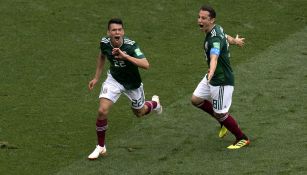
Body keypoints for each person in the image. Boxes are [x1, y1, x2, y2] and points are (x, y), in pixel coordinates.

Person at [87, 18, 162, 160]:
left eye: (119, 30)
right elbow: (102, 55)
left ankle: (154, 103)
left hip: (133, 84)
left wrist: (125, 56)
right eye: (114, 30)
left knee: (139, 113)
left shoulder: (131, 46)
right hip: (114, 80)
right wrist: (96, 77)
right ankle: (101, 147)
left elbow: (146, 64)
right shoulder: (104, 42)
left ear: (123, 31)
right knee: (102, 110)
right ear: (108, 32)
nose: (117, 32)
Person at [191, 5, 250, 149]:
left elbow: (214, 57)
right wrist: (235, 41)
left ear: (212, 20)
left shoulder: (214, 40)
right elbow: (225, 36)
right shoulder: (217, 28)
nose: (200, 20)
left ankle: (242, 138)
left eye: (204, 18)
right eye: (199, 17)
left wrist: (211, 72)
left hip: (221, 80)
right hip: (212, 76)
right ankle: (223, 122)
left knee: (220, 113)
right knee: (196, 100)